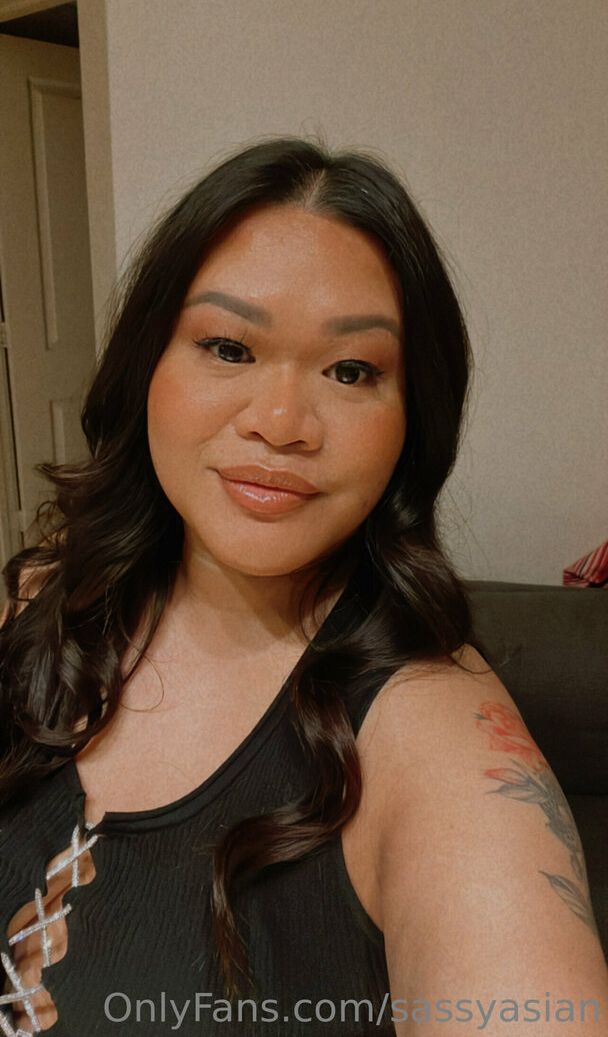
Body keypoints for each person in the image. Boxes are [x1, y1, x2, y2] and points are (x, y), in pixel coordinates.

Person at [0, 137, 606, 1037]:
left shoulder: (436, 741)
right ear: (146, 364)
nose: (281, 424)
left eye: (350, 371)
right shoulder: (49, 594)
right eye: (228, 347)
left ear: (414, 416)